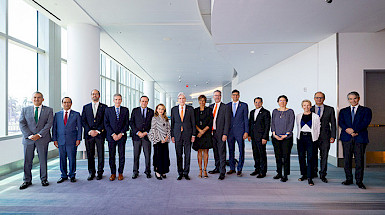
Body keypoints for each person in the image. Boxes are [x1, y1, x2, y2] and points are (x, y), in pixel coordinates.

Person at [19, 92, 53, 190]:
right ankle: (27, 180)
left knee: (43, 160)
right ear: (31, 99)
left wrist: (39, 135)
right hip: (28, 140)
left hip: (42, 139)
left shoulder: (49, 110)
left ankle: (44, 179)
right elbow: (22, 123)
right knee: (27, 160)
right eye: (34, 97)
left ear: (43, 99)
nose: (36, 99)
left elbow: (49, 124)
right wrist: (30, 135)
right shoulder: (25, 110)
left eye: (39, 97)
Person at [339, 91, 372, 189]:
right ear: (348, 100)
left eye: (354, 98)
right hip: (347, 138)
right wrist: (348, 130)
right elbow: (341, 122)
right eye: (350, 99)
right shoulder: (343, 111)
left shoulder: (366, 110)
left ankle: (359, 181)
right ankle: (349, 179)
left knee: (359, 160)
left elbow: (366, 122)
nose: (352, 100)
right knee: (347, 160)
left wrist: (355, 130)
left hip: (360, 138)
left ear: (358, 98)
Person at [52, 97, 82, 183]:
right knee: (62, 158)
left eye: (68, 102)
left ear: (71, 104)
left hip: (72, 140)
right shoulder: (57, 115)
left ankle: (72, 175)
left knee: (72, 158)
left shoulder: (76, 114)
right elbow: (54, 128)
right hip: (60, 140)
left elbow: (79, 128)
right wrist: (54, 139)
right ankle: (63, 175)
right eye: (65, 102)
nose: (66, 104)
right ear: (62, 104)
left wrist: (78, 139)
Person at [82, 89, 107, 181]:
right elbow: (83, 121)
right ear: (91, 95)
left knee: (101, 154)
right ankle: (91, 172)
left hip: (100, 134)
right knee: (90, 154)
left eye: (96, 94)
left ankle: (100, 172)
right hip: (89, 135)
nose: (94, 95)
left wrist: (98, 131)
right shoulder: (86, 107)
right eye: (93, 94)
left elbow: (105, 120)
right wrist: (90, 131)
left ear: (99, 96)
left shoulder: (104, 107)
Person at [311, 91, 336, 183]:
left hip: (325, 136)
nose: (319, 99)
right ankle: (314, 172)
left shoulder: (330, 109)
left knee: (324, 156)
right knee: (313, 155)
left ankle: (323, 174)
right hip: (313, 137)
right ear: (314, 99)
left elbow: (333, 124)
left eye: (321, 97)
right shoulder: (310, 109)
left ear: (324, 99)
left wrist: (333, 136)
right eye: (317, 97)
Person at [171, 92, 196, 180]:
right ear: (178, 100)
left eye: (183, 98)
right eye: (180, 99)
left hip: (188, 135)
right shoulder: (174, 109)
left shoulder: (190, 109)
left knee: (187, 154)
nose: (181, 100)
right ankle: (180, 173)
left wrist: (193, 135)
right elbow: (172, 123)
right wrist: (172, 135)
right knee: (178, 154)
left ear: (185, 100)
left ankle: (186, 173)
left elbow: (193, 122)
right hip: (177, 135)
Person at [104, 94, 129, 181]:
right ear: (113, 100)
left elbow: (127, 124)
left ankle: (120, 173)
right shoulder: (108, 110)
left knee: (121, 155)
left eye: (119, 99)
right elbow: (106, 123)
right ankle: (113, 173)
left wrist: (121, 133)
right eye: (116, 99)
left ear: (121, 100)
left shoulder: (125, 110)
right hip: (112, 137)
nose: (117, 101)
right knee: (112, 155)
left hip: (121, 136)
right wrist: (113, 134)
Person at [296, 100, 320, 186]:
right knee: (301, 157)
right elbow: (298, 127)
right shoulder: (298, 116)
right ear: (302, 106)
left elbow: (318, 129)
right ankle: (304, 174)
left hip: (311, 138)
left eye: (308, 105)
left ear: (310, 106)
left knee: (310, 158)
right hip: (301, 137)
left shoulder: (315, 116)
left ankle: (310, 177)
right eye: (304, 105)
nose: (306, 107)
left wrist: (315, 139)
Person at [271, 95, 295, 182]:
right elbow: (272, 123)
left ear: (287, 102)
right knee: (278, 156)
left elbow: (291, 124)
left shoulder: (290, 111)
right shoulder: (275, 111)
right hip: (275, 137)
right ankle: (279, 173)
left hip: (287, 138)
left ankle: (285, 174)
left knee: (286, 156)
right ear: (278, 102)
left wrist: (286, 135)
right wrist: (274, 134)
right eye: (280, 101)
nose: (282, 102)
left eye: (284, 100)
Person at [130, 96, 154, 179]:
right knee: (136, 155)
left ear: (148, 102)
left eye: (146, 101)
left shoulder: (151, 111)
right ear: (140, 101)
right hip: (137, 137)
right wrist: (138, 132)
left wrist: (146, 132)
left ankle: (148, 171)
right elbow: (131, 123)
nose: (144, 103)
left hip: (146, 137)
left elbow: (152, 124)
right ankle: (135, 171)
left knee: (147, 155)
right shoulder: (135, 110)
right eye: (143, 101)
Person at [208, 90, 231, 180]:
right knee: (215, 152)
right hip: (212, 133)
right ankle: (217, 168)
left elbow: (227, 122)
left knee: (222, 152)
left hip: (221, 133)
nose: (217, 97)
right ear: (213, 97)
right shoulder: (210, 107)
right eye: (215, 95)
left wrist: (225, 134)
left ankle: (222, 172)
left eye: (218, 95)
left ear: (220, 96)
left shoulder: (225, 107)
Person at [227, 89, 249, 176]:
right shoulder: (228, 105)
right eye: (233, 95)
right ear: (231, 96)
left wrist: (246, 131)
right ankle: (232, 168)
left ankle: (239, 169)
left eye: (237, 95)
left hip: (240, 132)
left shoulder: (243, 105)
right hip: (230, 132)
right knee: (231, 150)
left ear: (239, 96)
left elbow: (246, 119)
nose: (235, 96)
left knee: (241, 150)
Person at [248, 97, 271, 178]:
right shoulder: (252, 112)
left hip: (261, 137)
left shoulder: (266, 112)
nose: (257, 104)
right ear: (254, 103)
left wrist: (265, 137)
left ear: (262, 103)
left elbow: (267, 126)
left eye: (259, 102)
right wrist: (249, 135)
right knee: (255, 154)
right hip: (253, 137)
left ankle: (263, 171)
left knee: (262, 154)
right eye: (256, 102)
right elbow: (250, 124)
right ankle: (257, 169)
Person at [148, 104, 171, 180]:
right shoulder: (154, 118)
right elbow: (154, 129)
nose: (161, 110)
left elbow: (168, 129)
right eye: (159, 109)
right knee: (158, 156)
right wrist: (161, 139)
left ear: (164, 110)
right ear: (156, 110)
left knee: (165, 156)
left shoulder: (166, 118)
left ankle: (163, 171)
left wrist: (166, 138)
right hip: (158, 140)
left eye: (162, 109)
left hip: (165, 141)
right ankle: (157, 171)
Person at [193, 95, 213, 178]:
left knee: (206, 152)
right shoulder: (195, 110)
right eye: (200, 100)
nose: (202, 102)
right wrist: (199, 131)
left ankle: (205, 170)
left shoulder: (209, 110)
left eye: (203, 100)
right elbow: (194, 122)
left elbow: (210, 122)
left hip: (206, 133)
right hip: (198, 133)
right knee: (199, 152)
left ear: (205, 101)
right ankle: (200, 170)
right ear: (198, 101)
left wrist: (203, 131)